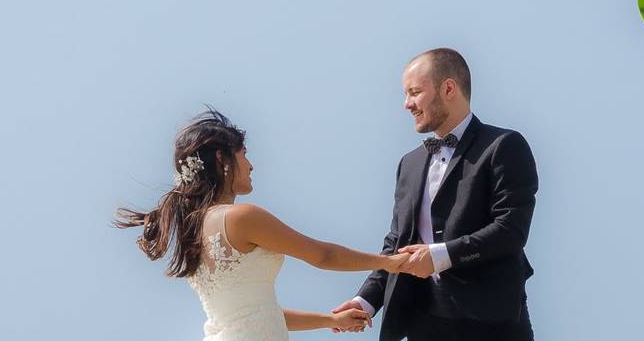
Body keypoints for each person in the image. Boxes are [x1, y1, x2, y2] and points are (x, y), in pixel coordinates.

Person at [116, 108, 411, 340]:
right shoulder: (241, 218)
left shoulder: (193, 228)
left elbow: (257, 313)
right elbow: (322, 255)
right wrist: (391, 263)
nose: (251, 165)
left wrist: (330, 320)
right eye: (244, 154)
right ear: (223, 160)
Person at [332, 48, 539, 341]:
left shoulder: (504, 146)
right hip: (422, 320)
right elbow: (397, 244)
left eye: (414, 92)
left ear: (448, 88)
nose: (407, 104)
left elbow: (511, 230)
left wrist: (440, 256)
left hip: (492, 322)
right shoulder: (409, 163)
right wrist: (364, 301)